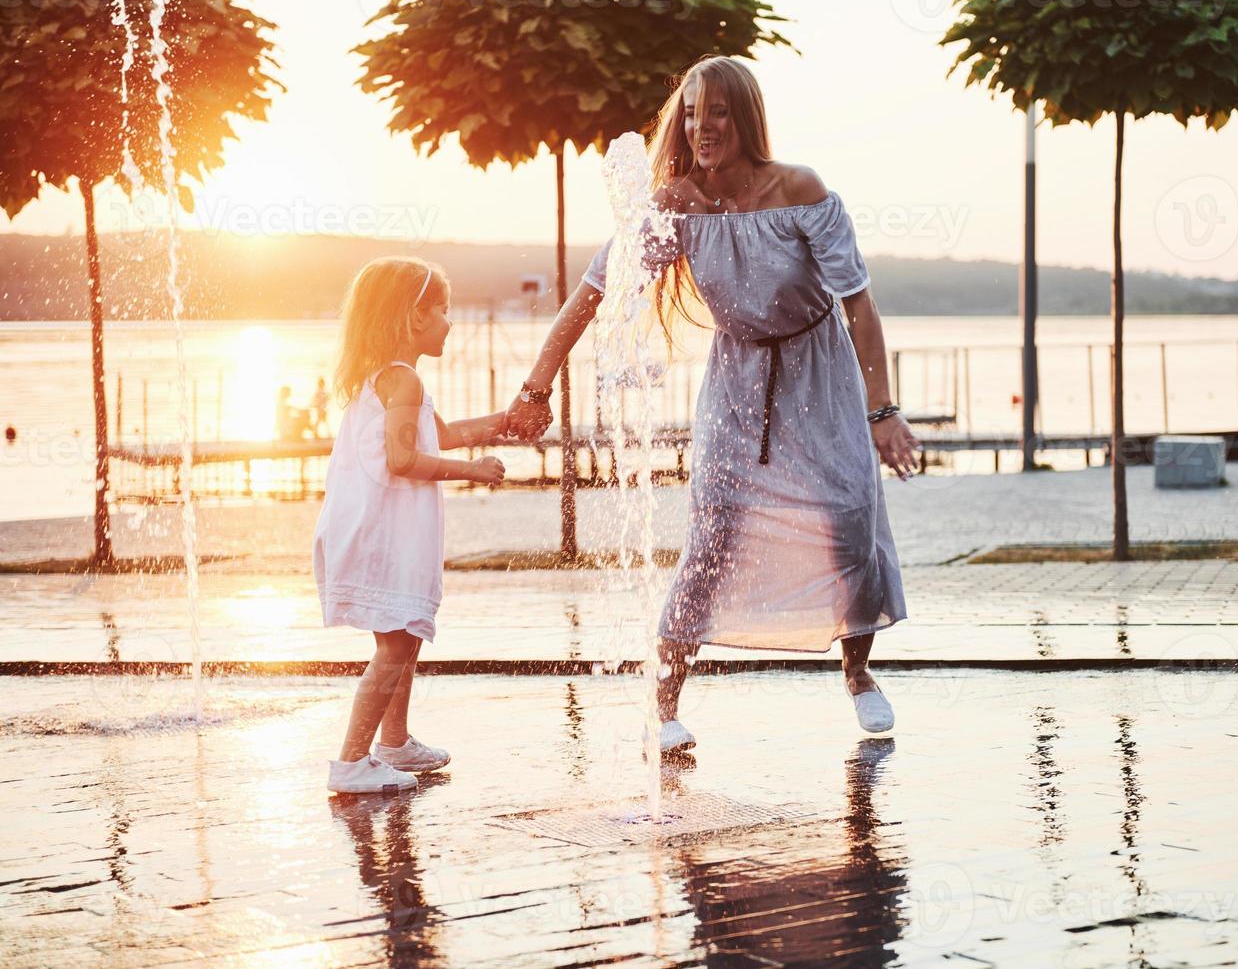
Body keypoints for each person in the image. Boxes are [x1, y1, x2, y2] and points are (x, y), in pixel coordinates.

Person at [506, 56, 922, 752]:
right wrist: (535, 386)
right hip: (736, 379)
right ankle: (663, 704)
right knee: (713, 533)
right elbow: (591, 294)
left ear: (747, 117)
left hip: (819, 370)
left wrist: (883, 412)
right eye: (693, 113)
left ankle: (857, 673)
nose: (703, 126)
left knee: (849, 517)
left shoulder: (800, 191)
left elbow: (860, 304)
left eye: (719, 112)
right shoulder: (675, 205)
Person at [314, 257, 508, 794]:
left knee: (404, 636)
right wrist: (473, 471)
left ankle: (394, 742)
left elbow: (439, 435)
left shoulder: (390, 380)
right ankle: (351, 762)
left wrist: (507, 422)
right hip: (385, 536)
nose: (450, 322)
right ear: (413, 317)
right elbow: (404, 461)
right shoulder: (404, 381)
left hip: (378, 530)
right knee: (394, 648)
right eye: (442, 310)